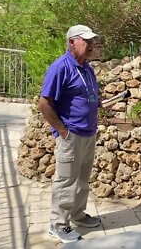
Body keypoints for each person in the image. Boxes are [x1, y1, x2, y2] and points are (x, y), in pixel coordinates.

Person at [38, 25, 101, 243]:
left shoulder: (88, 69)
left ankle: (78, 216)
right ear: (72, 42)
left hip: (88, 133)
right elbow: (44, 103)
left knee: (83, 180)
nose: (92, 45)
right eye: (87, 41)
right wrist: (62, 131)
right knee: (66, 181)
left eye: (93, 41)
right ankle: (58, 225)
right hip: (71, 135)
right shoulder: (60, 67)